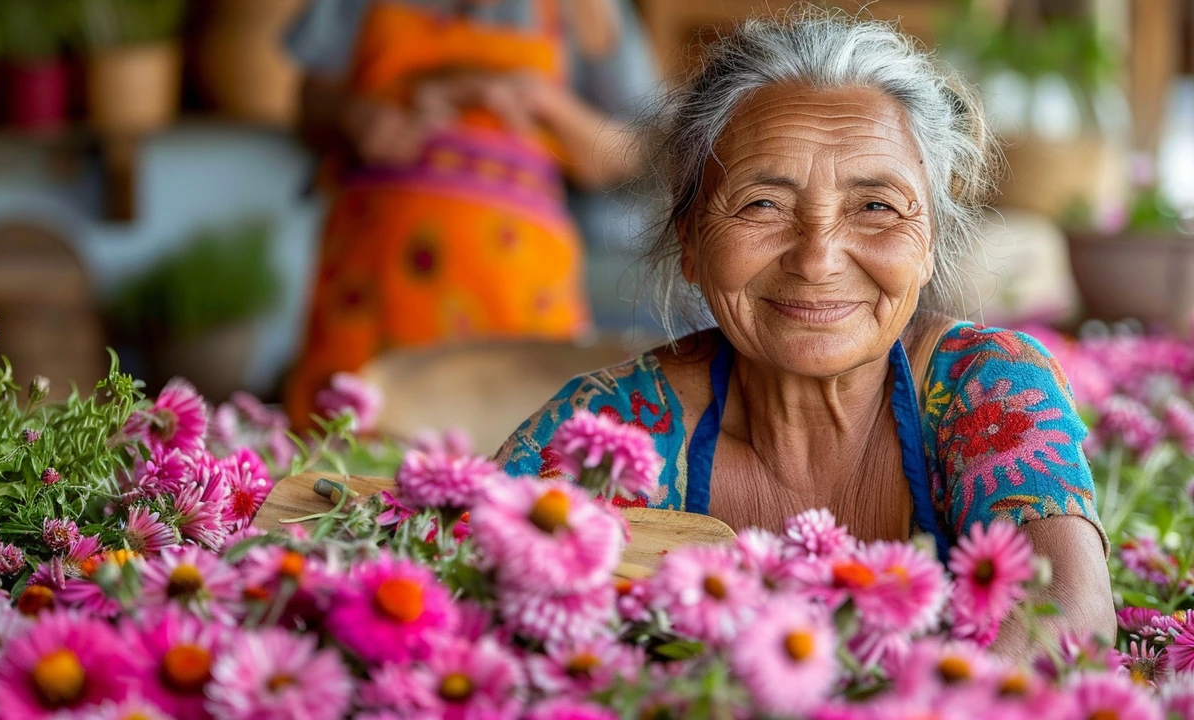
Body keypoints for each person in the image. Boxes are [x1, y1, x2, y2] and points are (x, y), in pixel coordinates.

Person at [496, 10, 1114, 653]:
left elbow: (1067, 619)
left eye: (876, 206)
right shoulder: (609, 429)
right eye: (762, 204)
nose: (817, 258)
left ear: (929, 239)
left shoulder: (987, 387)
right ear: (691, 240)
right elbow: (467, 599)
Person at [282, 0, 657, 429]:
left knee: (517, 455)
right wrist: (357, 118)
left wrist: (547, 104)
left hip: (517, 298)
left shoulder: (588, 9)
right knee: (339, 453)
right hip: (369, 290)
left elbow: (630, 157)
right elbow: (310, 107)